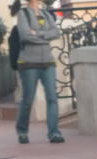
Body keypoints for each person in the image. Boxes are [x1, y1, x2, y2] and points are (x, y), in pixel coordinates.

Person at [10, 0, 64, 144]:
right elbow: (25, 35)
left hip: (47, 61)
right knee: (28, 99)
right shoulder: (23, 14)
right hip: (29, 63)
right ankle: (22, 131)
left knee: (52, 98)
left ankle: (54, 132)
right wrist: (45, 36)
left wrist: (38, 34)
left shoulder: (46, 14)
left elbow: (56, 32)